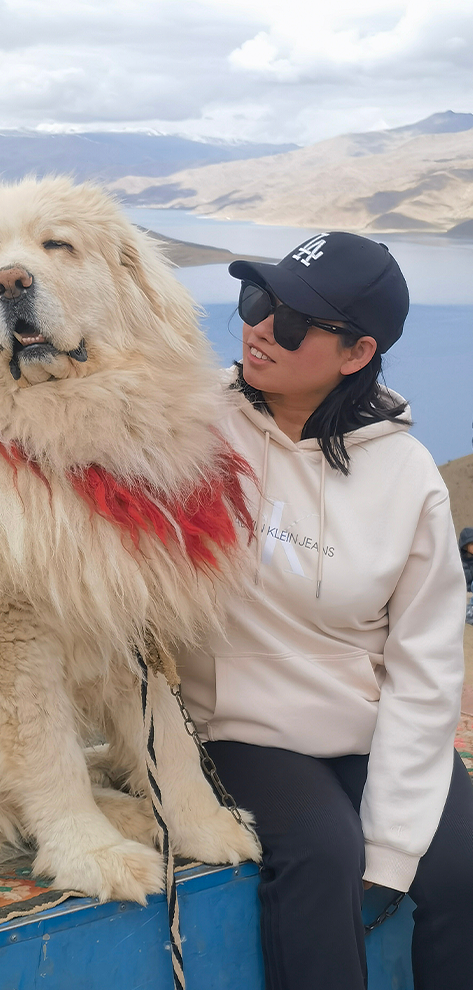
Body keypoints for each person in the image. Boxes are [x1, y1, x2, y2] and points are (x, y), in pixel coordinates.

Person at [178, 232, 473, 990]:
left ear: (356, 351)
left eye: (292, 321)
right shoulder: (184, 428)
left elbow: (425, 658)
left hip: (365, 721)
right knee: (323, 854)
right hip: (235, 721)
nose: (258, 328)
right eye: (255, 301)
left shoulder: (406, 475)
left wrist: (400, 842)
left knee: (463, 870)